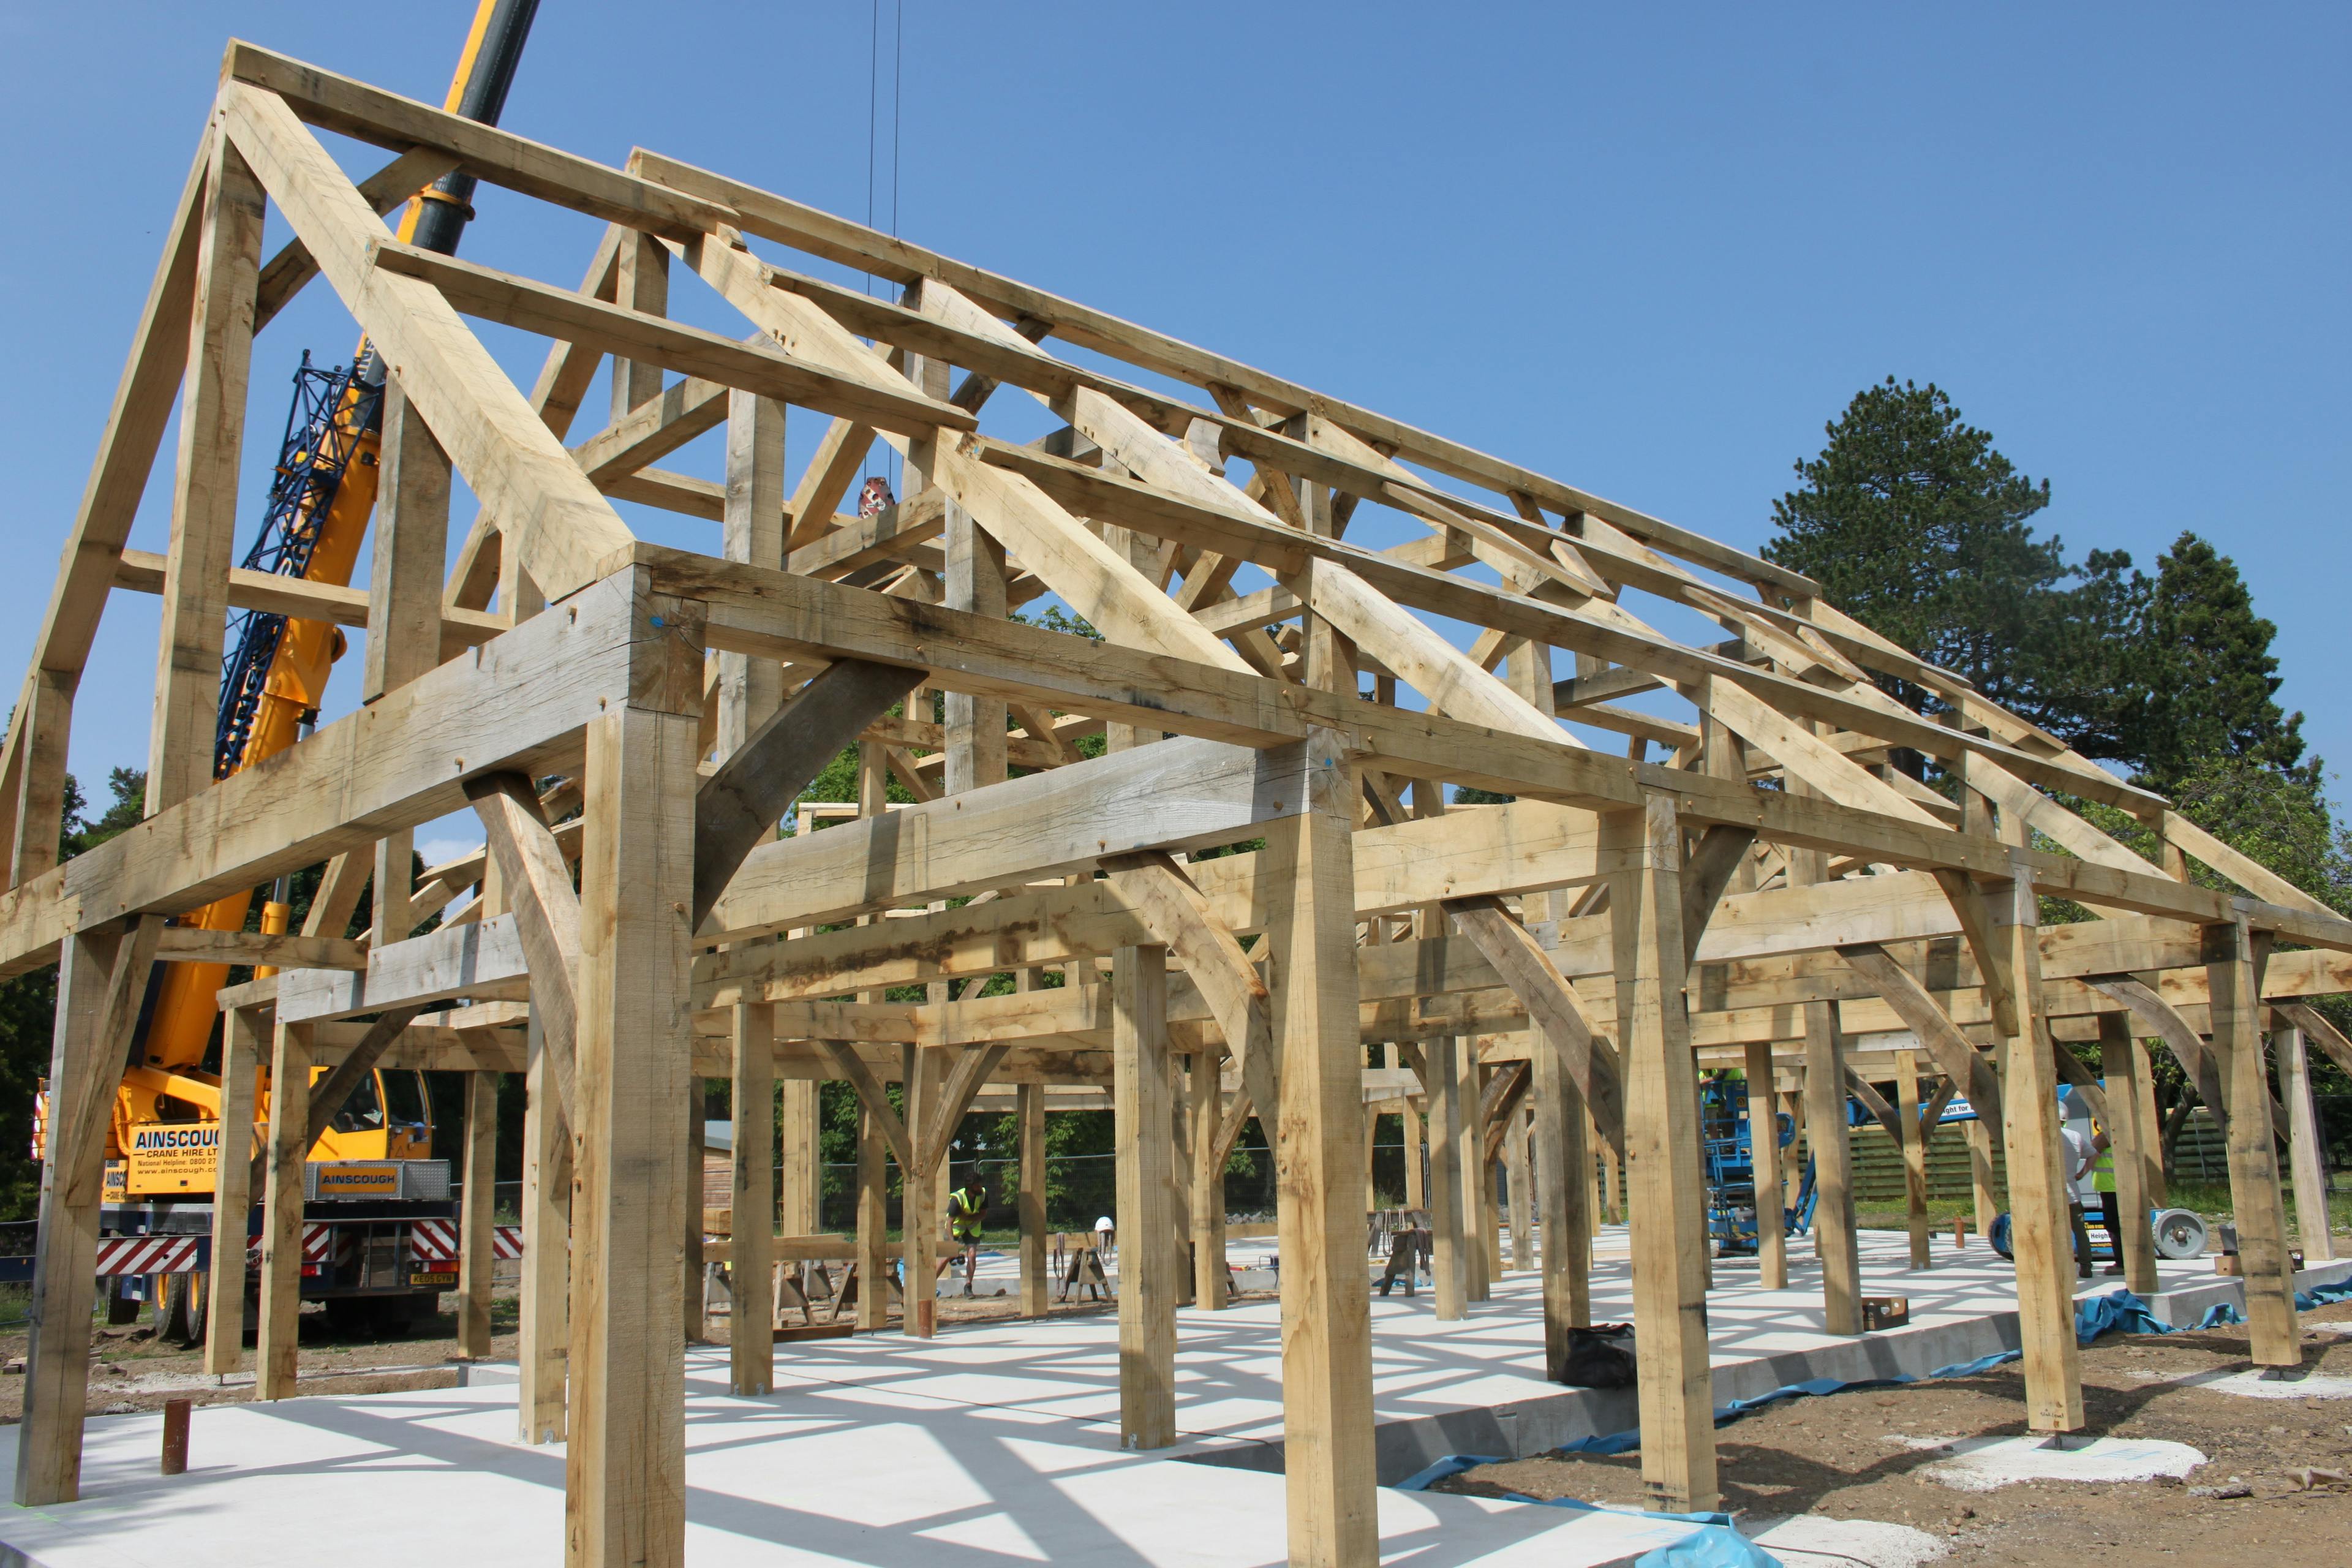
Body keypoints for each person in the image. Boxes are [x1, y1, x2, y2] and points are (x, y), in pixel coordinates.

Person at [943, 1179, 985, 1294]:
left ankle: (968, 1286)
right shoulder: (957, 1200)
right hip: (955, 1228)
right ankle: (930, 1286)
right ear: (970, 1189)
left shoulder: (983, 1195)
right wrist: (953, 1245)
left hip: (972, 1227)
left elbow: (983, 1214)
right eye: (977, 1187)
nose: (980, 1189)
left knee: (972, 1255)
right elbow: (949, 1222)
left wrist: (968, 1218)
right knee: (945, 1257)